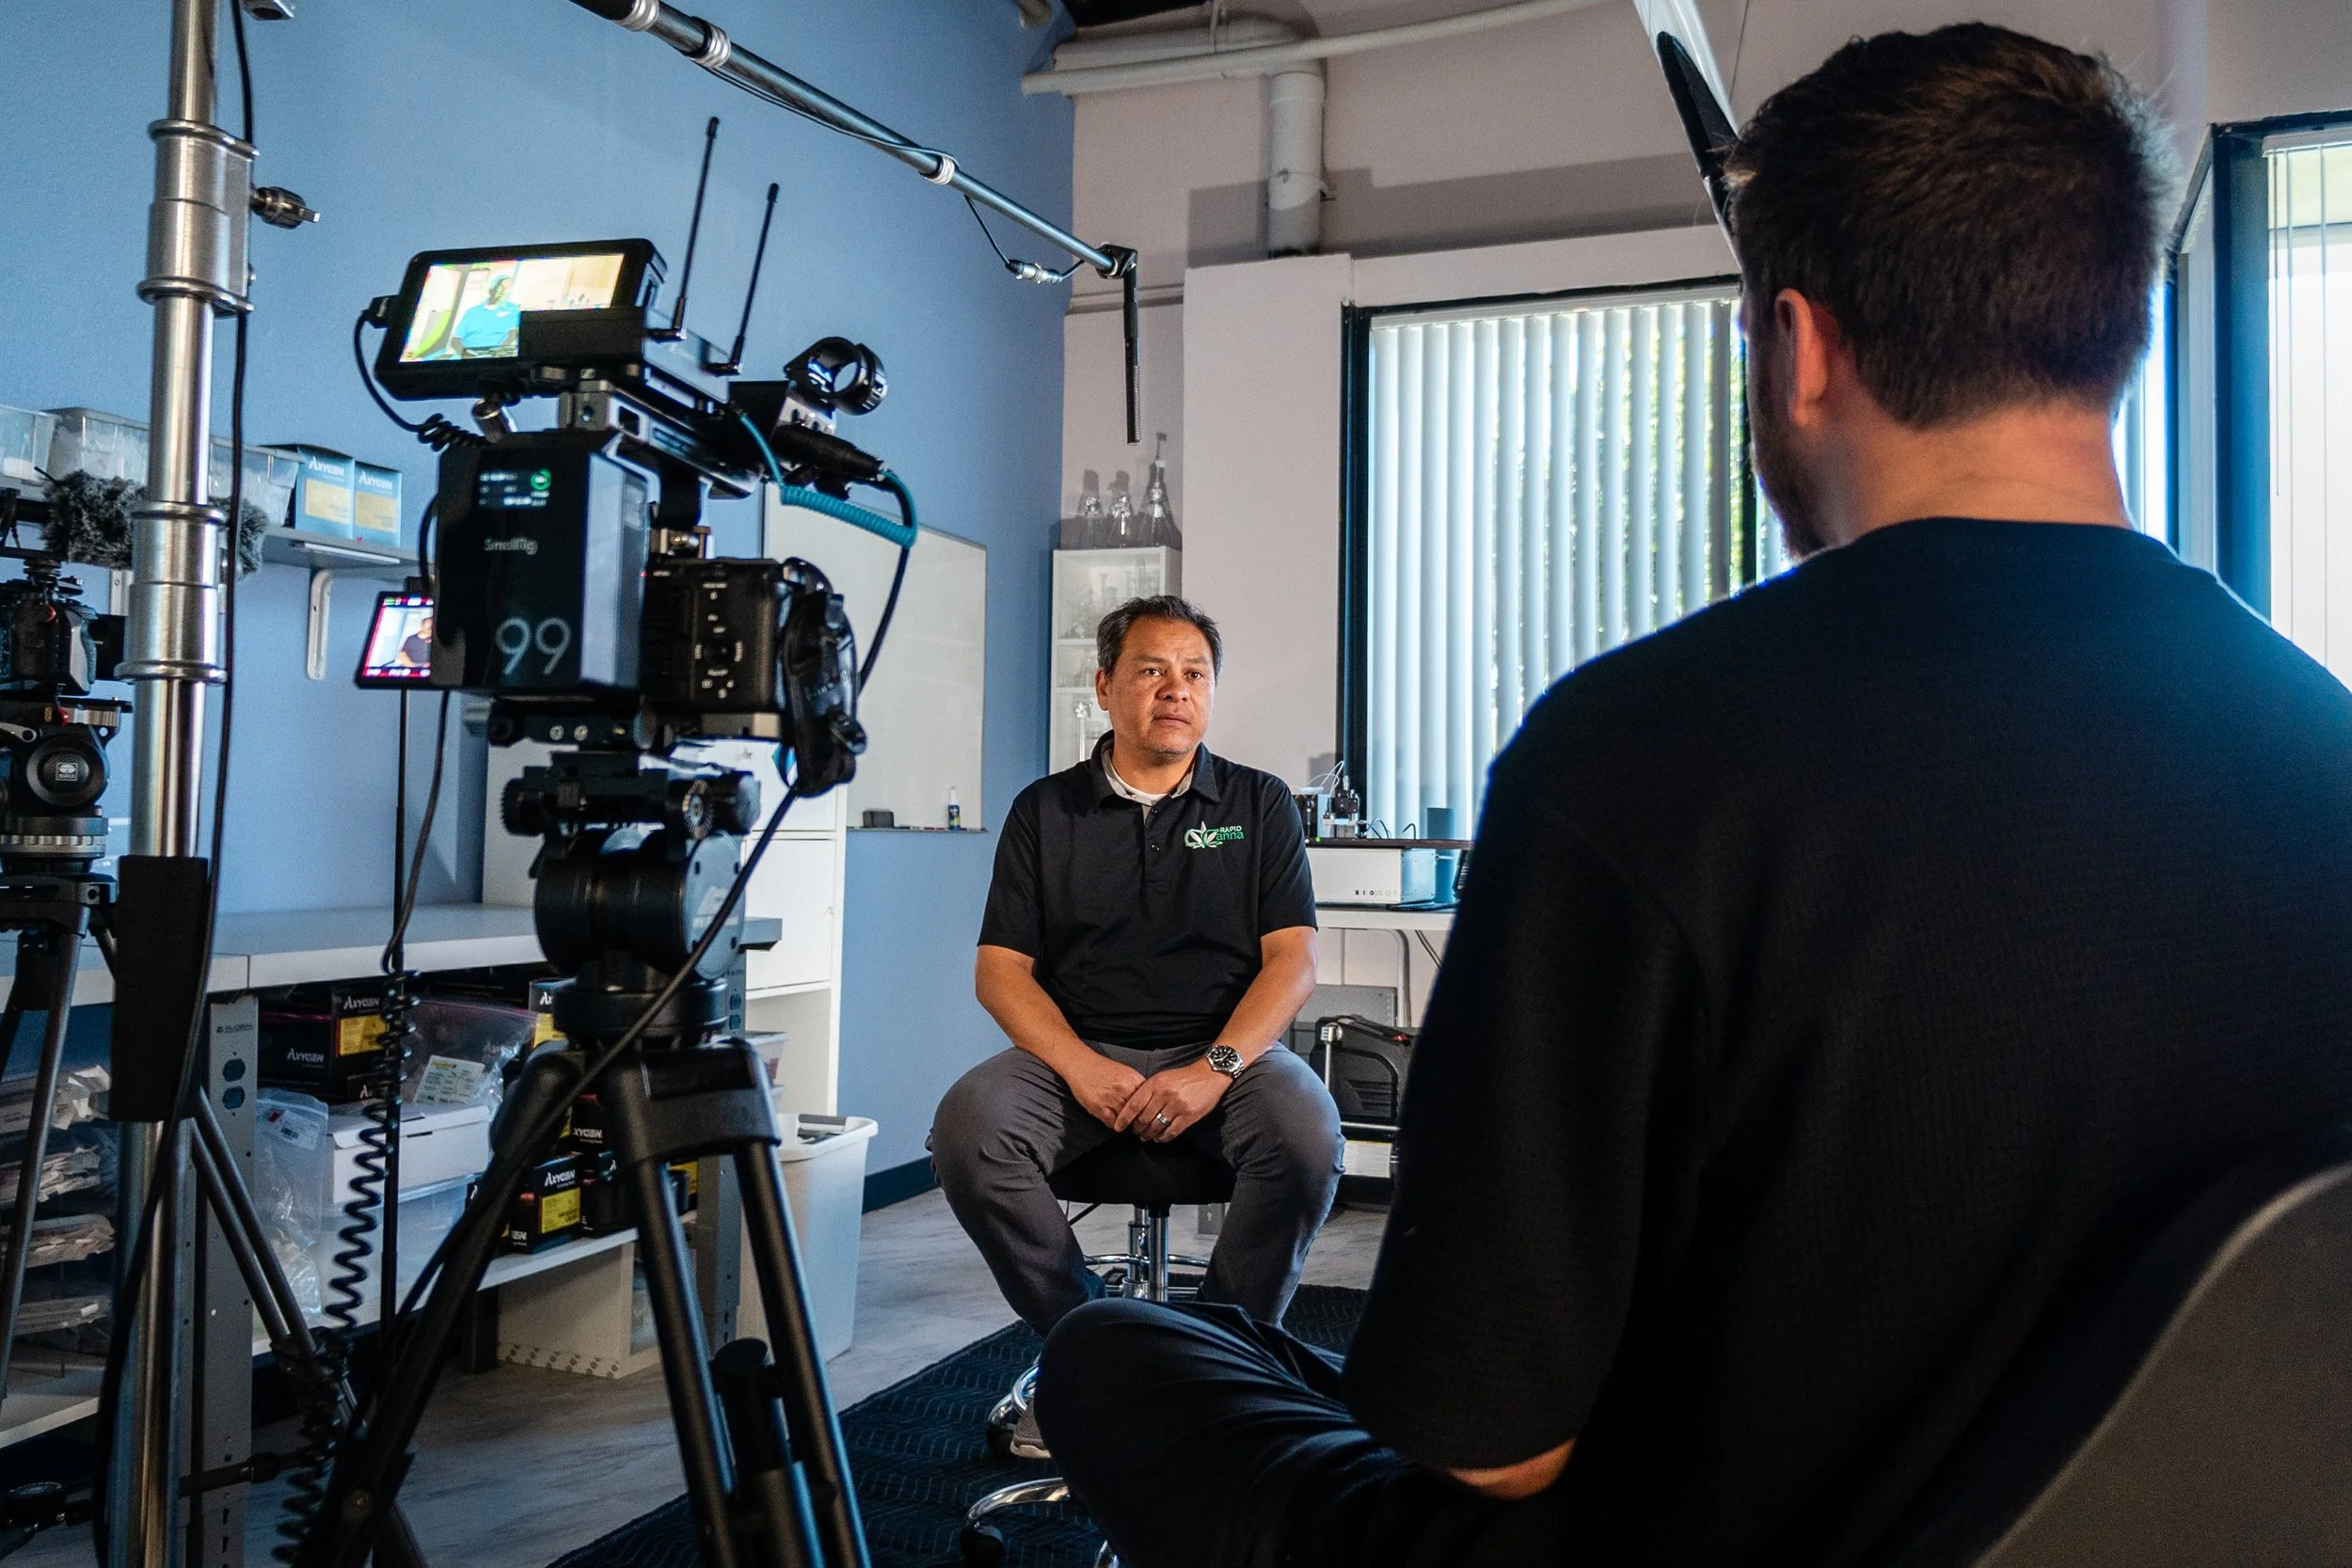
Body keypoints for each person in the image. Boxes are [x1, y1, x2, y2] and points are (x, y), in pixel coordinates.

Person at [1037, 24, 2352, 1568]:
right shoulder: (2320, 744)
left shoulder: (1632, 757)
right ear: (2120, 327)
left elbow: (1487, 1453)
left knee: (1123, 1359)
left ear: (1797, 346)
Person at [931, 594, 1343, 1449]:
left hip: (1227, 1057)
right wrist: (1081, 1066)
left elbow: (1291, 962)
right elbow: (999, 972)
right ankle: (1092, 1349)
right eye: (1152, 670)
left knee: (1309, 1136)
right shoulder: (1045, 811)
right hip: (1079, 1059)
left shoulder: (1259, 804)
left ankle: (1216, 1358)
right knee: (970, 1129)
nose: (1175, 691)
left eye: (1195, 674)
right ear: (1107, 685)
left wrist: (1214, 1066)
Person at [454, 274, 520, 357]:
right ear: (491, 290)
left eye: (508, 288)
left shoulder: (513, 309)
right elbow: (455, 340)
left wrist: (497, 355)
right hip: (468, 357)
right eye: (501, 287)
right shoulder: (471, 312)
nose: (504, 292)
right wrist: (467, 356)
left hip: (496, 357)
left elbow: (513, 336)